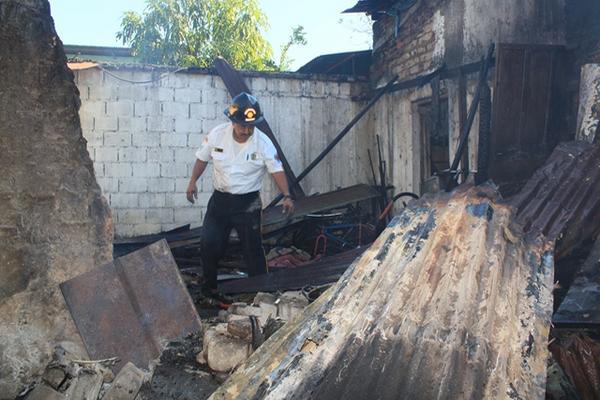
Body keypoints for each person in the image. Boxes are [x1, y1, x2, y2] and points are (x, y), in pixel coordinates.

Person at [186, 92, 294, 297]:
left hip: (248, 204)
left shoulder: (263, 143)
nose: (246, 130)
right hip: (220, 202)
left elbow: (276, 169)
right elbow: (202, 159)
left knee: (252, 250)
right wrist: (193, 181)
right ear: (233, 121)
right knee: (209, 244)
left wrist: (287, 195)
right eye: (243, 125)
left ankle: (261, 292)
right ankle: (209, 290)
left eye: (251, 126)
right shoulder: (217, 135)